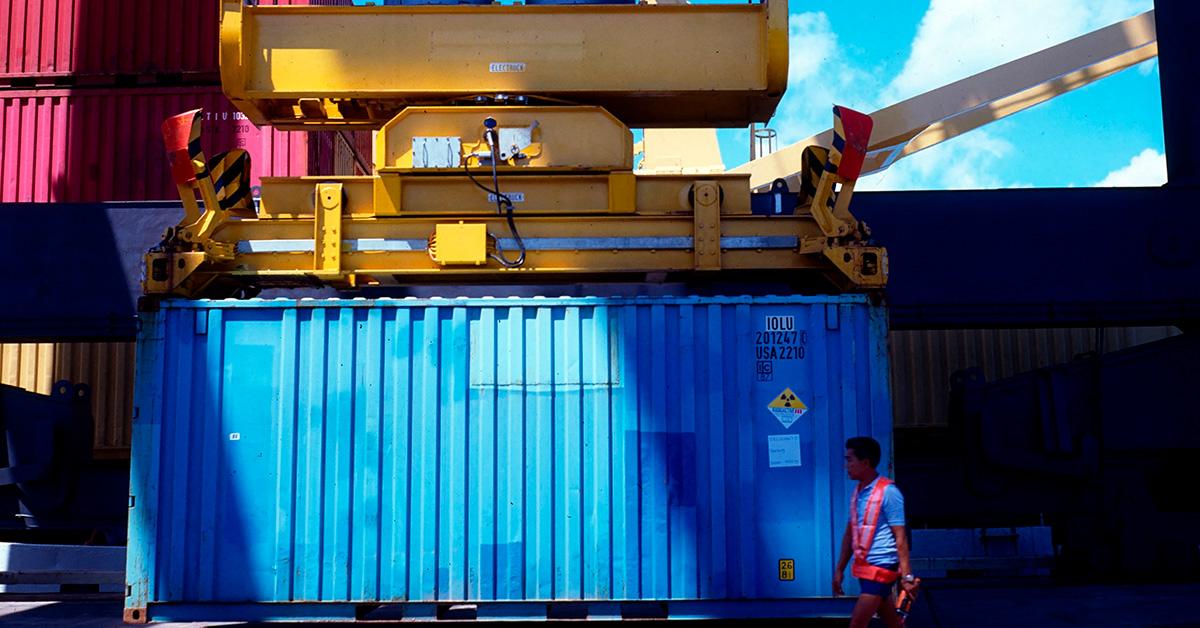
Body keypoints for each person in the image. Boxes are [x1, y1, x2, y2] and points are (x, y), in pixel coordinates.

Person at [832, 436, 917, 628]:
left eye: (849, 460)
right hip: (866, 567)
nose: (847, 465)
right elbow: (850, 533)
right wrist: (839, 569)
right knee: (893, 624)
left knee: (857, 624)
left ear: (865, 462)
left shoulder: (889, 492)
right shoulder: (858, 492)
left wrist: (907, 576)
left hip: (881, 568)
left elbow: (900, 536)